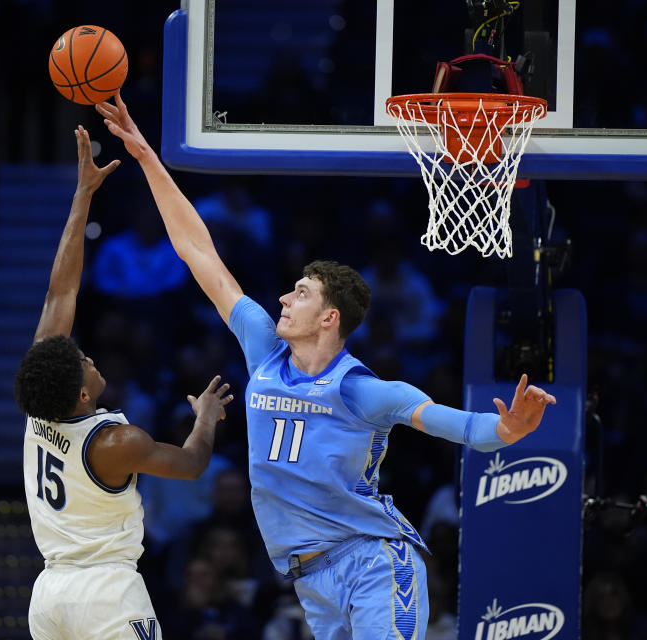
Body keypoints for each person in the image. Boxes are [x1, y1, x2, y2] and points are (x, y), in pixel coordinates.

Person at [98, 93, 557, 639]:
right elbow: (199, 252)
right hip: (309, 577)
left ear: (329, 318)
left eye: (300, 293)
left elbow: (464, 427)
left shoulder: (363, 391)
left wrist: (509, 427)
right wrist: (148, 155)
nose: (284, 300)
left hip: (372, 564)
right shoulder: (264, 351)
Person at [12, 125, 234, 640]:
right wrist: (203, 419)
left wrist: (82, 196)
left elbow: (59, 293)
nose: (86, 355)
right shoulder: (116, 442)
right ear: (84, 394)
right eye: (82, 362)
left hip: (48, 595)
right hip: (106, 595)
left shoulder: (39, 404)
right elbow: (193, 464)